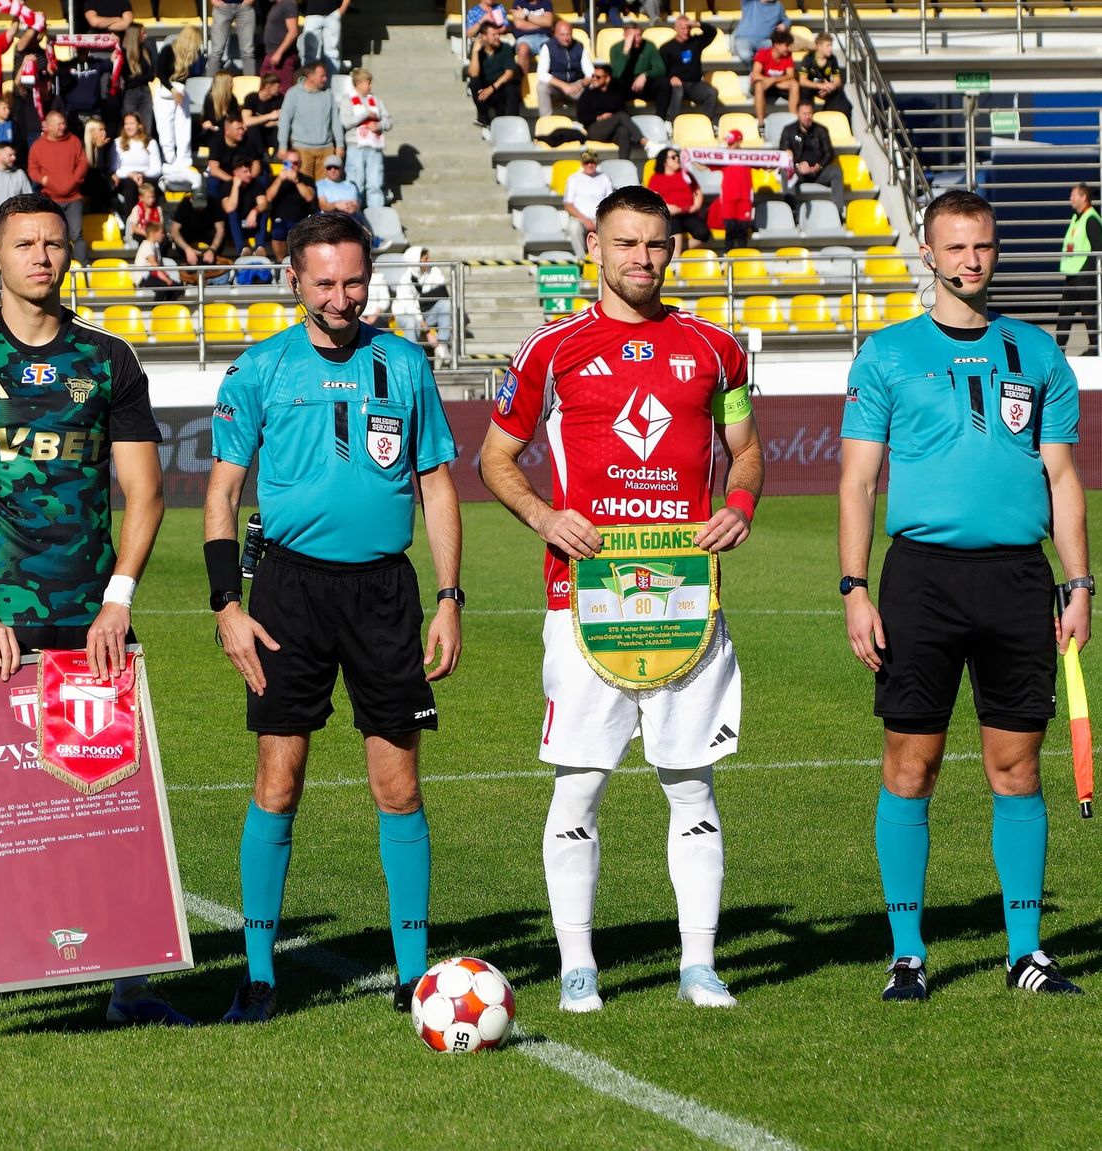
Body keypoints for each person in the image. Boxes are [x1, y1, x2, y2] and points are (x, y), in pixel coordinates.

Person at [0, 192, 191, 1035]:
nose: (40, 256)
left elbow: (143, 493)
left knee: (106, 796)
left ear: (71, 255)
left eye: (53, 243)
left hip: (89, 624)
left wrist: (118, 600)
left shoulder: (108, 359)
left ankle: (127, 979)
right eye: (23, 243)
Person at [481, 185, 761, 1014]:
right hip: (582, 598)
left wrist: (738, 506)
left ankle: (699, 965)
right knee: (580, 786)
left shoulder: (715, 350)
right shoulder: (550, 350)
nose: (642, 258)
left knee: (691, 783)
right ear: (594, 250)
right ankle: (578, 968)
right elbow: (498, 458)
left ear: (671, 251)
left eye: (656, 245)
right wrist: (543, 514)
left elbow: (744, 450)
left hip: (686, 595)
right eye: (626, 243)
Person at [205, 210, 463, 1023]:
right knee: (278, 783)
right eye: (325, 282)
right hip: (289, 593)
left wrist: (450, 598)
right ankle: (258, 973)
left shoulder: (404, 364)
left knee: (398, 784)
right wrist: (227, 604)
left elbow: (440, 488)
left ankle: (413, 974)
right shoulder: (258, 371)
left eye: (354, 280)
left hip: (385, 593)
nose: (342, 296)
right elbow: (221, 492)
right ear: (295, 279)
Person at [838, 189, 1091, 1002]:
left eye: (982, 247)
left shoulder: (1040, 355)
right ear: (930, 252)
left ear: (994, 250)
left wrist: (1079, 582)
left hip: (1020, 581)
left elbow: (1062, 477)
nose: (970, 261)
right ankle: (907, 952)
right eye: (955, 248)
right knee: (911, 764)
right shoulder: (886, 354)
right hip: (921, 579)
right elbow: (858, 481)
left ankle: (1025, 950)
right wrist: (853, 586)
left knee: (1016, 766)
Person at [27, 111, 89, 261]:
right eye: (59, 124)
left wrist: (74, 180)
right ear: (48, 126)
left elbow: (82, 163)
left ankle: (82, 270)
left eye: (64, 123)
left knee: (76, 235)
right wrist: (43, 180)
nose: (63, 127)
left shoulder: (73, 141)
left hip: (73, 198)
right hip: (50, 199)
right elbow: (32, 169)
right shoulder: (38, 146)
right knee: (53, 237)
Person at [152, 25, 203, 176]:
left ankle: (184, 161)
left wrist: (195, 57)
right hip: (166, 93)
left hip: (182, 92)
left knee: (183, 130)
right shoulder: (168, 50)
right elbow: (160, 73)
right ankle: (169, 161)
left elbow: (198, 72)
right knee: (165, 131)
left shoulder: (193, 55)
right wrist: (172, 90)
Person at [1056, 182, 1100, 357]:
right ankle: (1058, 349)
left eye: (1073, 195)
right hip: (1073, 274)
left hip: (1084, 275)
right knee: (1065, 313)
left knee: (1089, 312)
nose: (1070, 199)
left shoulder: (1091, 219)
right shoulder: (1077, 216)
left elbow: (1098, 248)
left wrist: (1087, 272)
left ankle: (1096, 347)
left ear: (1083, 197)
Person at [277, 62, 343, 179]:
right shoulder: (293, 93)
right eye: (322, 76)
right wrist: (282, 146)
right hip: (302, 150)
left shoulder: (329, 94)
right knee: (304, 187)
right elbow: (285, 121)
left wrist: (340, 145)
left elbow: (336, 122)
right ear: (310, 76)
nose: (325, 78)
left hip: (326, 149)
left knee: (325, 190)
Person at [780, 101, 844, 216]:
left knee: (836, 171)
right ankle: (791, 210)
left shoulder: (821, 130)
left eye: (809, 113)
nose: (807, 117)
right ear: (798, 114)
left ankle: (838, 211)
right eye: (804, 114)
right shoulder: (789, 130)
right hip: (798, 171)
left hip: (817, 171)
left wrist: (818, 166)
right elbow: (783, 152)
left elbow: (829, 153)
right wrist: (797, 166)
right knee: (786, 172)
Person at [341, 68, 391, 214]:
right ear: (359, 83)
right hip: (355, 147)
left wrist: (379, 125)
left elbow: (388, 120)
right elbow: (346, 122)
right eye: (368, 83)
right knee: (356, 183)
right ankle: (355, 215)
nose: (370, 86)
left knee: (375, 183)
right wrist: (364, 114)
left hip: (374, 147)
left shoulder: (376, 100)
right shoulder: (347, 100)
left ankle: (377, 214)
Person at [577, 64, 646, 163]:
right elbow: (581, 117)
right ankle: (643, 141)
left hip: (612, 129)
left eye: (598, 77)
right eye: (593, 76)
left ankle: (624, 165)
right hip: (594, 129)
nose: (594, 79)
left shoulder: (615, 94)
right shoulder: (587, 94)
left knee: (623, 132)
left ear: (607, 78)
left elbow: (623, 111)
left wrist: (611, 118)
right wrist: (599, 117)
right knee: (620, 116)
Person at [647, 146, 709, 254]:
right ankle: (676, 261)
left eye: (677, 156)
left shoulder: (686, 174)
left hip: (689, 212)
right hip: (670, 213)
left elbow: (697, 192)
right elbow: (653, 199)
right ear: (664, 162)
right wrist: (667, 207)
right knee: (673, 223)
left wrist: (696, 206)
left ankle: (676, 250)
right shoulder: (656, 178)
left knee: (703, 233)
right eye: (673, 157)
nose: (677, 159)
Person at [660, 15, 720, 124]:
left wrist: (698, 24)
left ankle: (707, 123)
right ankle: (672, 124)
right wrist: (670, 78)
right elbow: (661, 70)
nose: (686, 31)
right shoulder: (666, 48)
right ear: (676, 28)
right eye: (683, 28)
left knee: (711, 92)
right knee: (677, 91)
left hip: (695, 84)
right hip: (678, 85)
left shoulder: (696, 42)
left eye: (688, 28)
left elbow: (712, 32)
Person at [609, 25, 669, 122]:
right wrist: (625, 51)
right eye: (633, 36)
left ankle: (661, 120)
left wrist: (645, 75)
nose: (637, 39)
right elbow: (616, 73)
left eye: (639, 35)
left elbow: (660, 69)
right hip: (626, 85)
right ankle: (623, 121)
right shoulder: (615, 48)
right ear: (625, 36)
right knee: (614, 84)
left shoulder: (649, 46)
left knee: (664, 83)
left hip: (645, 85)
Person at [466, 21, 519, 126]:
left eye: (498, 34)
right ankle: (483, 118)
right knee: (474, 83)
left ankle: (513, 123)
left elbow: (509, 73)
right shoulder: (477, 50)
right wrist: (475, 52)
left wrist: (492, 88)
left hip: (500, 87)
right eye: (494, 35)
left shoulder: (506, 48)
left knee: (511, 88)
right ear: (484, 37)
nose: (497, 37)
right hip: (485, 88)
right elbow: (473, 74)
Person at [563, 148, 612, 259]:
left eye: (592, 162)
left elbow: (610, 203)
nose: (590, 165)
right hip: (580, 218)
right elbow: (568, 205)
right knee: (573, 226)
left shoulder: (604, 178)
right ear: (582, 163)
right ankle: (582, 260)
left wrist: (599, 219)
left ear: (596, 163)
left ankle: (604, 259)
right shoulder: (573, 179)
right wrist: (585, 220)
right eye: (587, 162)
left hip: (600, 218)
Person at [266, 147, 314, 261]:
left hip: (300, 219)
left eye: (295, 163)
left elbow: (309, 197)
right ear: (284, 163)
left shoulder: (306, 179)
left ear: (300, 164)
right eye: (288, 163)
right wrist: (279, 180)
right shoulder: (275, 179)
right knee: (278, 233)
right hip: (280, 219)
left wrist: (297, 181)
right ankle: (280, 263)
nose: (292, 166)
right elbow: (268, 197)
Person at [536, 20, 590, 119]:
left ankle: (587, 122)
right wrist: (564, 86)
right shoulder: (548, 47)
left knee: (593, 86)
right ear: (556, 34)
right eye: (562, 35)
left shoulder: (579, 46)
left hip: (575, 85)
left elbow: (590, 72)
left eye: (568, 34)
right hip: (556, 87)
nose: (566, 38)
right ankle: (545, 123)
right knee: (542, 87)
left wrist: (580, 84)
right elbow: (542, 73)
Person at [712, 129, 754, 251]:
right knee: (729, 230)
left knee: (742, 230)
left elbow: (766, 165)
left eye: (731, 142)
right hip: (728, 197)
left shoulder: (749, 157)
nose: (728, 145)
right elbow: (705, 164)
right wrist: (692, 155)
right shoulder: (724, 157)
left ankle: (742, 259)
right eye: (728, 143)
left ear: (739, 141)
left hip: (745, 197)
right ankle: (728, 258)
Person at [750, 29, 799, 124]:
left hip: (776, 84)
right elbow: (756, 75)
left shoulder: (787, 55)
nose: (788, 48)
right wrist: (775, 83)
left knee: (795, 85)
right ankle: (761, 124)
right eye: (786, 45)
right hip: (764, 85)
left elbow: (790, 74)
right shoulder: (763, 53)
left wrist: (773, 81)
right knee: (758, 85)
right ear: (777, 45)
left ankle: (794, 120)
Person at [798, 33, 850, 115]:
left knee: (839, 92)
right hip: (812, 87)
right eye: (828, 46)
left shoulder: (832, 59)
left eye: (831, 45)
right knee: (804, 90)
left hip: (826, 87)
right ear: (819, 46)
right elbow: (802, 81)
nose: (831, 48)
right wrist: (819, 86)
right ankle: (808, 115)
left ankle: (829, 114)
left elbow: (838, 81)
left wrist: (831, 86)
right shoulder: (808, 58)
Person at [508, 0, 555, 82]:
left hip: (544, 37)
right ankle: (520, 85)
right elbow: (519, 24)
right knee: (523, 49)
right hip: (525, 38)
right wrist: (541, 24)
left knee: (553, 50)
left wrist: (526, 15)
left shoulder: (546, 3)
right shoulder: (518, 3)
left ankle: (553, 84)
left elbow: (548, 22)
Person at [732, 0, 788, 67]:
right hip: (744, 39)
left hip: (766, 40)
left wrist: (785, 25)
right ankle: (756, 74)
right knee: (745, 55)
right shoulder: (750, 2)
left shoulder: (778, 5)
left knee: (777, 53)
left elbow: (785, 19)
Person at [261, 0, 298, 93]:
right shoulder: (276, 5)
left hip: (283, 57)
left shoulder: (288, 3)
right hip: (270, 54)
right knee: (266, 88)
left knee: (283, 89)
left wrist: (279, 53)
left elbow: (293, 32)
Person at [300, 0, 348, 72]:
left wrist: (342, 9)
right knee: (310, 53)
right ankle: (311, 80)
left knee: (332, 53)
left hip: (332, 14)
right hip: (312, 14)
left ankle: (332, 81)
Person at [210, 0, 256, 75]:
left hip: (245, 7)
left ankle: (250, 85)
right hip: (222, 8)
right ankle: (209, 85)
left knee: (248, 52)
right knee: (216, 52)